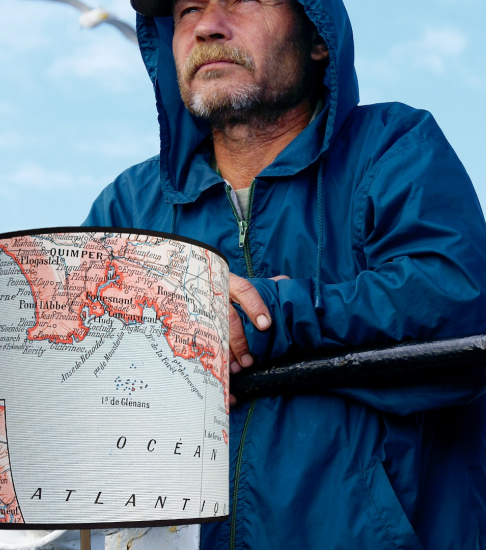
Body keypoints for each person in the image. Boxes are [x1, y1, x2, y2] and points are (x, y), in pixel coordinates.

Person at [84, 0, 486, 547]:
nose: (207, 26)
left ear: (318, 36)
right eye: (186, 10)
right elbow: (59, 364)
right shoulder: (128, 207)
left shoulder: (395, 146)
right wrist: (173, 319)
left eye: (242, 0)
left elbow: (455, 300)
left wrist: (264, 316)